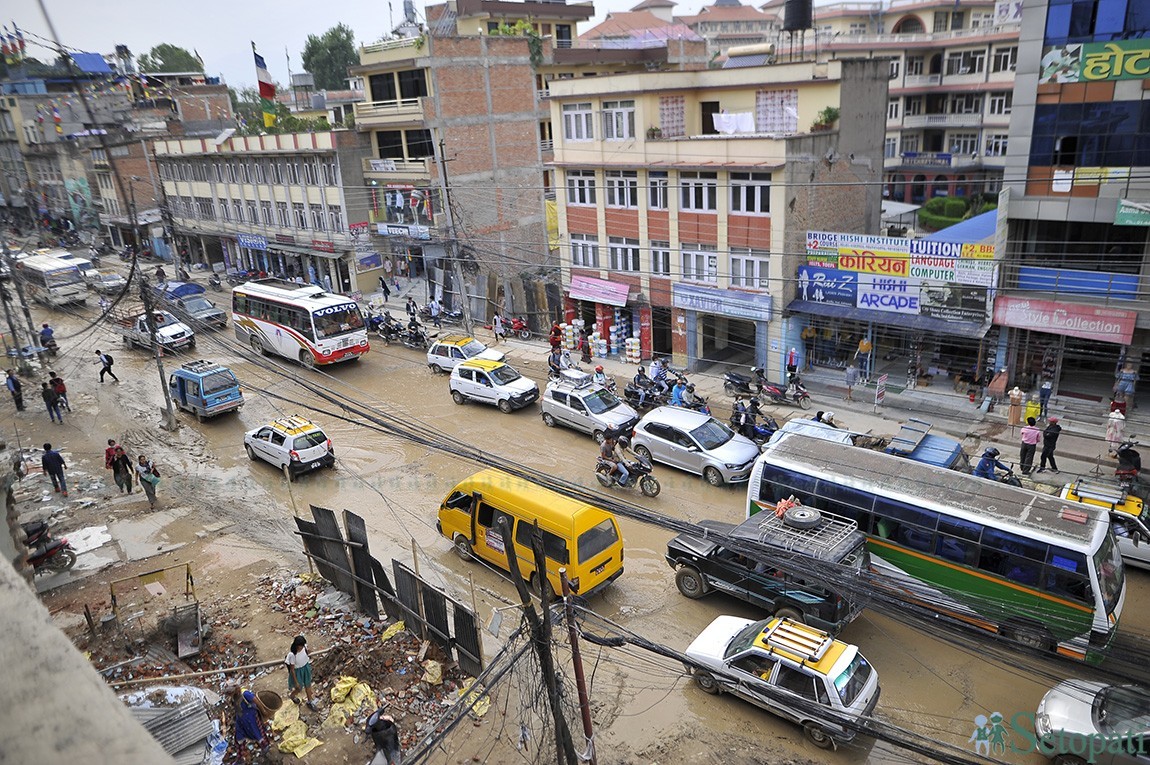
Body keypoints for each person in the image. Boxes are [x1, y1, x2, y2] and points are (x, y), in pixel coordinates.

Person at [230, 684, 269, 764]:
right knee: (239, 737)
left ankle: (266, 747)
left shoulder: (245, 694)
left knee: (258, 732)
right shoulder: (233, 697)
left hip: (251, 718)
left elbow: (256, 701)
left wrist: (263, 711)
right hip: (240, 719)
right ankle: (240, 757)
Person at [286, 635, 318, 710]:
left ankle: (310, 701)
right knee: (298, 688)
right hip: (298, 671)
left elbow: (307, 652)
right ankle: (292, 696)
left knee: (308, 685)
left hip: (306, 668)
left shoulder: (304, 647)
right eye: (301, 645)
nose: (302, 647)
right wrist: (296, 682)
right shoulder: (292, 655)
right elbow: (292, 669)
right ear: (297, 645)